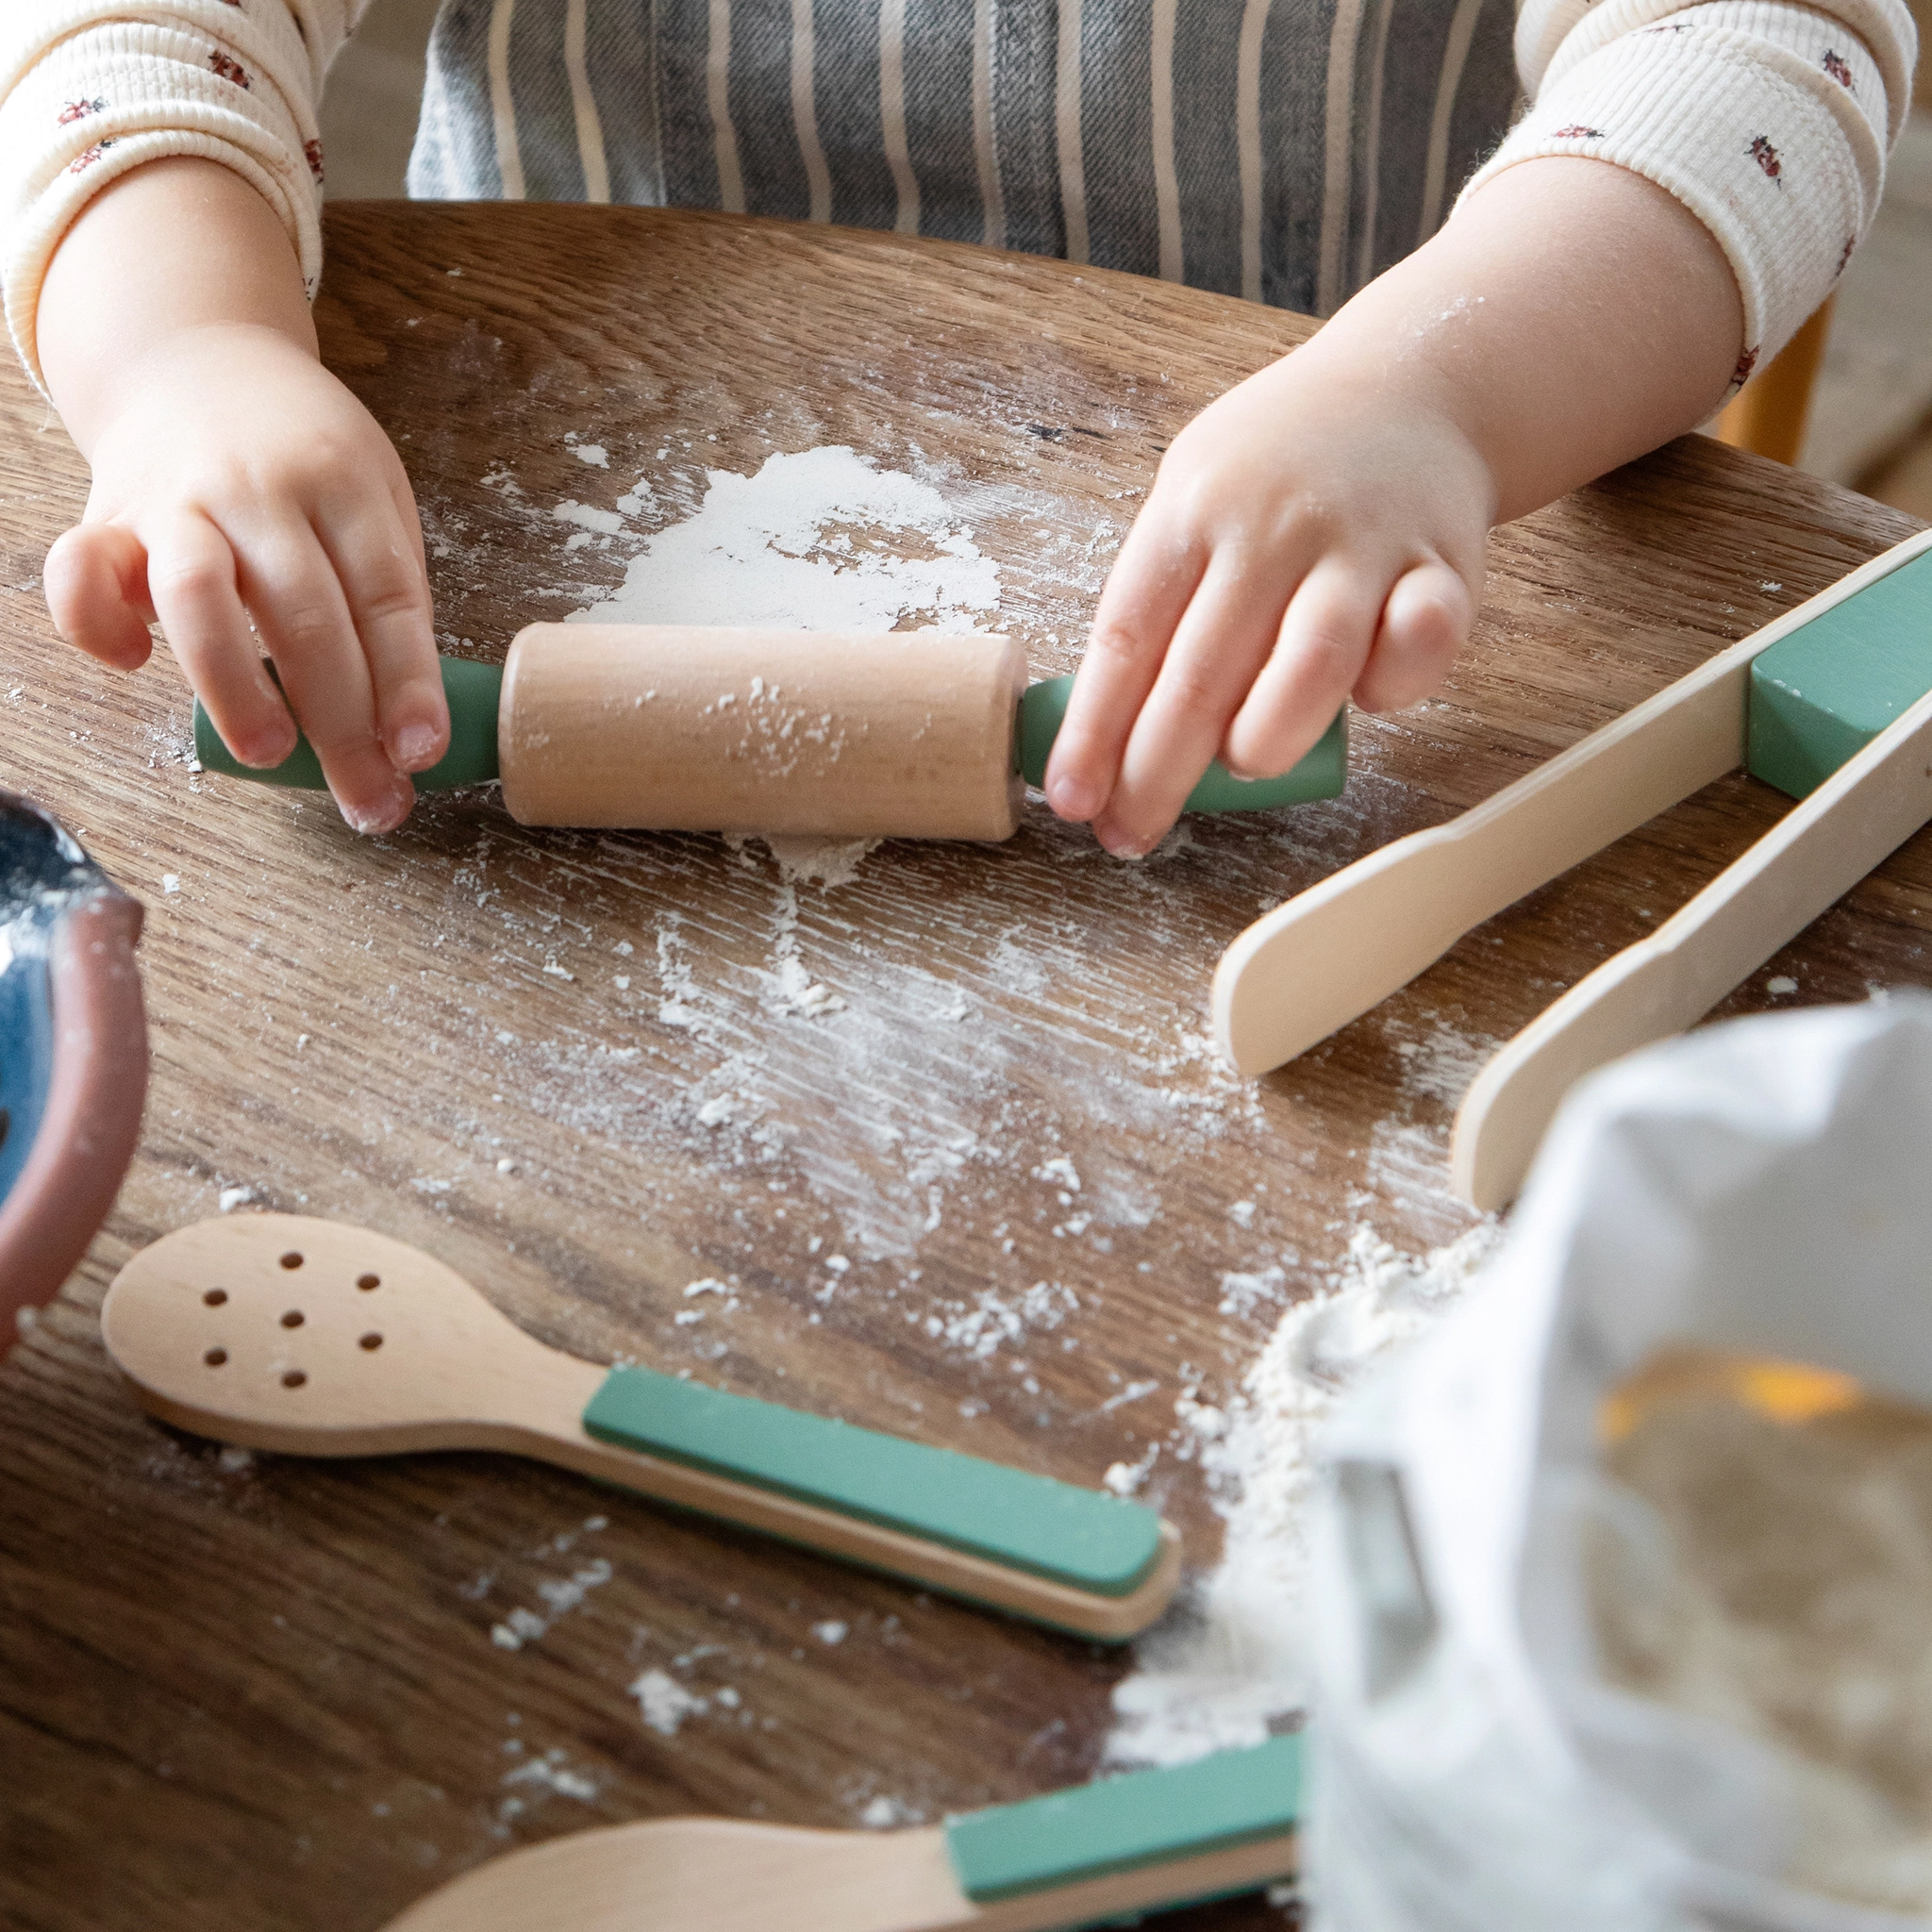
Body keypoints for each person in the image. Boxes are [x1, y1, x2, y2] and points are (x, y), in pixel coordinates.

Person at [0, 0, 1915, 855]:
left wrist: (1434, 392)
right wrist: (187, 358)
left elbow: (1761, 50)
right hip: (530, 522)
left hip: (1285, 580)